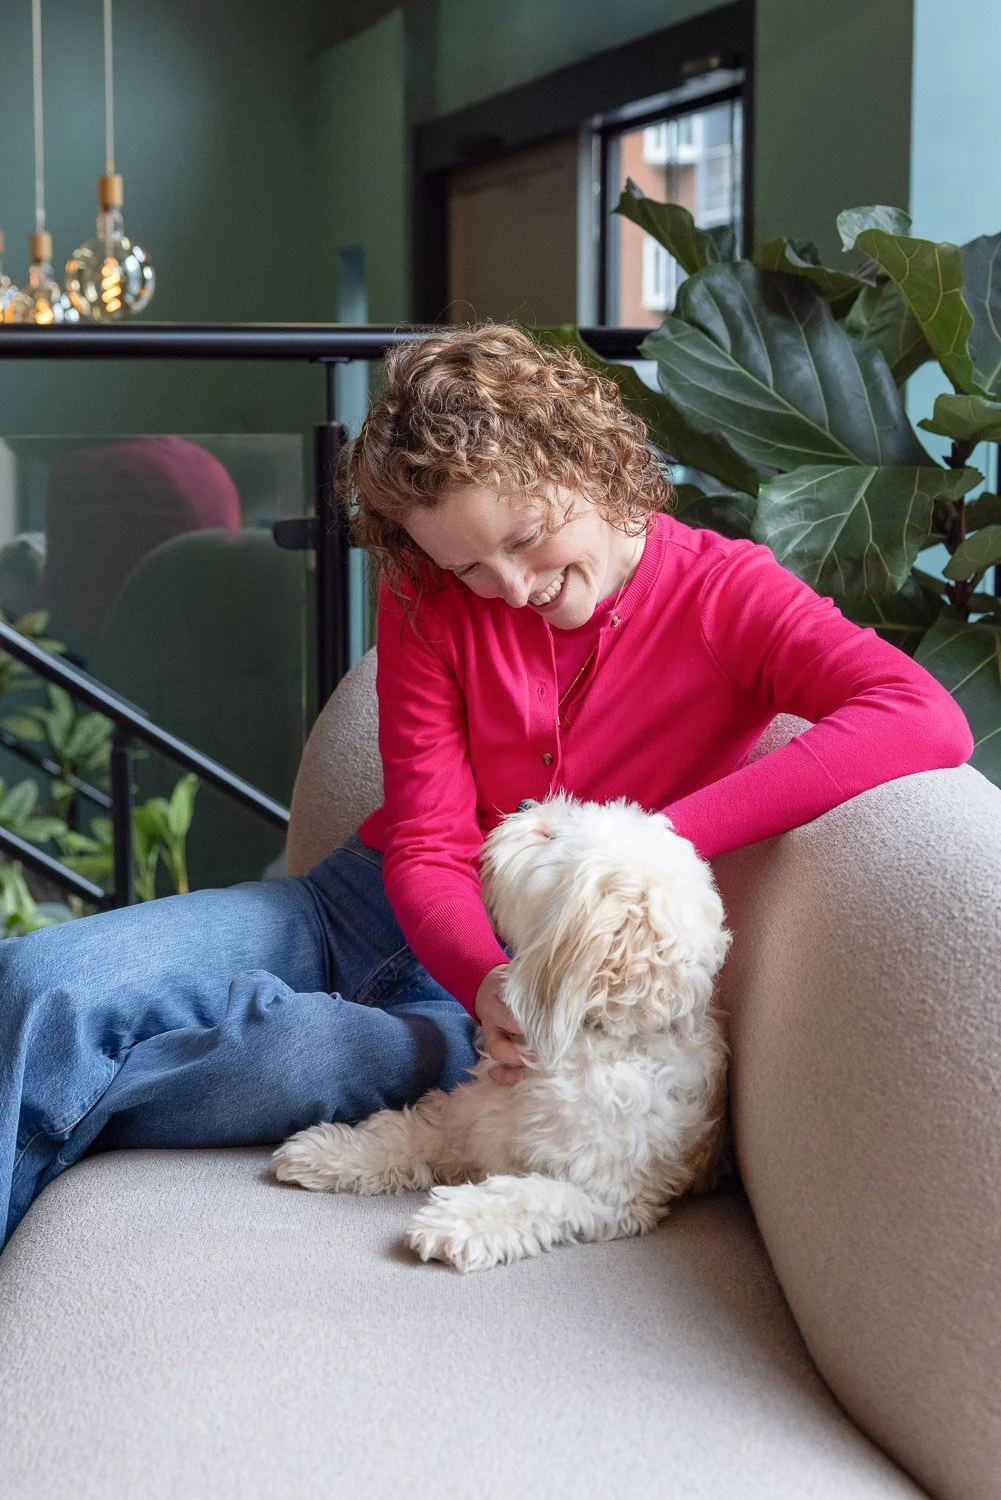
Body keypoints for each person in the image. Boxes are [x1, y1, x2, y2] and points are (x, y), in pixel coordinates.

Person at [0, 324, 974, 1253]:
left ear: (590, 468)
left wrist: (646, 841)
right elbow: (425, 842)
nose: (508, 587)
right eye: (470, 566)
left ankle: (76, 1086)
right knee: (38, 985)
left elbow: (922, 717)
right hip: (361, 906)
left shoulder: (727, 595)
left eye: (528, 538)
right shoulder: (424, 595)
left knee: (289, 1055)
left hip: (519, 995)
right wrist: (486, 976)